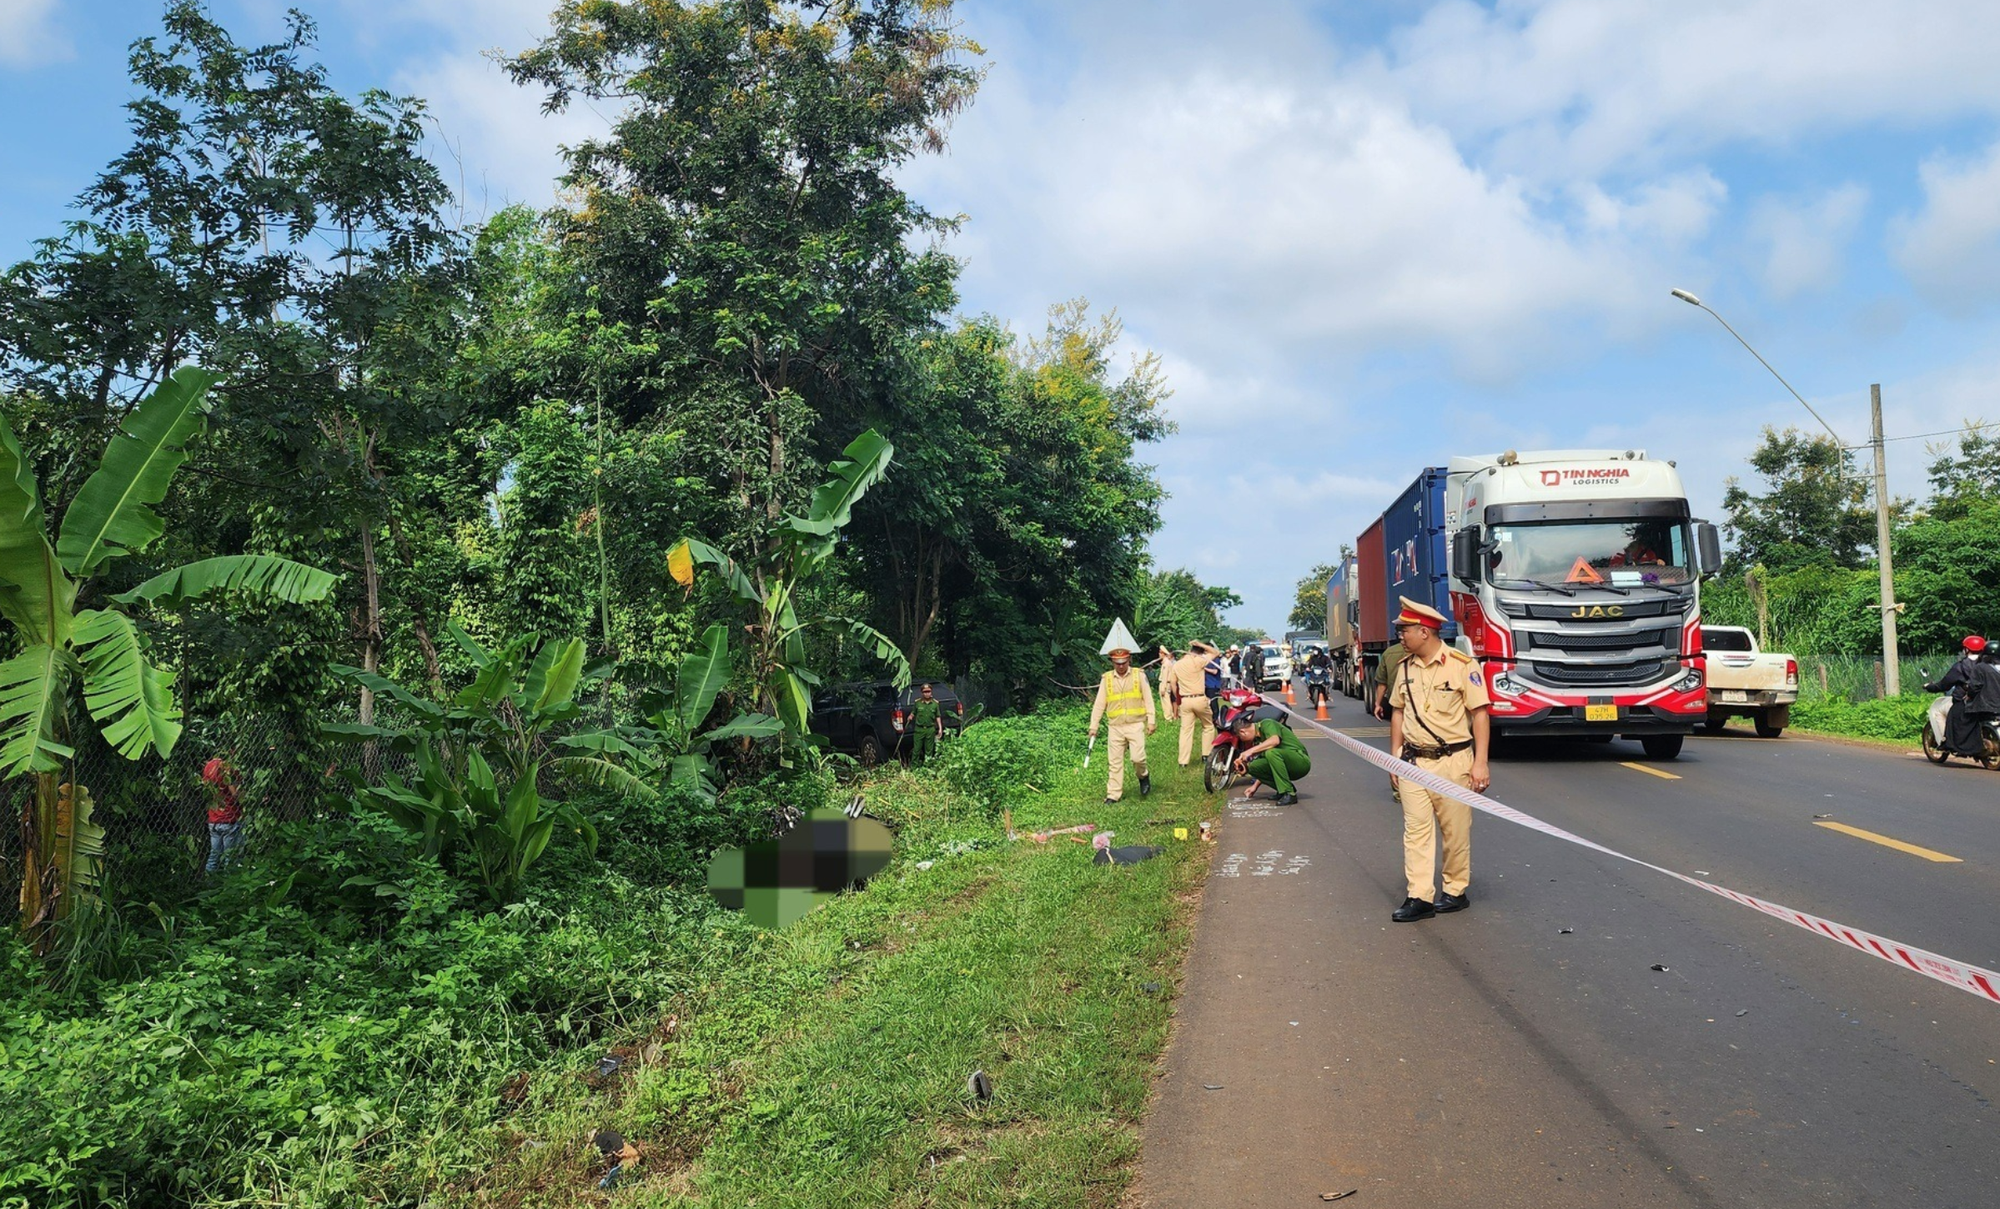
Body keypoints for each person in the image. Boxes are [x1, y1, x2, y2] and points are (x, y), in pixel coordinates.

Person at [1386, 597, 1491, 923]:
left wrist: (1481, 763)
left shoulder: (1462, 666)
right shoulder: (1404, 668)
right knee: (1415, 831)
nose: (1401, 636)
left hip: (1454, 762)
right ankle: (1419, 896)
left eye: (1405, 630)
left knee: (1455, 831)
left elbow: (1480, 714)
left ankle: (1455, 890)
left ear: (1425, 631)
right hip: (1414, 762)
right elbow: (1398, 711)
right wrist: (1394, 756)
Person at [1088, 621, 1157, 803]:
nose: (1120, 666)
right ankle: (1113, 794)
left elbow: (1148, 698)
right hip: (1115, 726)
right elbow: (1099, 704)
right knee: (1115, 762)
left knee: (1138, 758)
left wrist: (1151, 720)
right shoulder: (1107, 679)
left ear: (1129, 660)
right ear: (1112, 661)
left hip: (1135, 724)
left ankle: (1143, 776)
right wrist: (1093, 726)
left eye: (1123, 662)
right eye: (1117, 663)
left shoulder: (1138, 675)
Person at [1923, 635, 2000, 756]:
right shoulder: (1992, 666)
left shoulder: (1962, 666)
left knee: (1943, 711)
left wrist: (1929, 687)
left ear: (1966, 650)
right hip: (1993, 702)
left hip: (1975, 702)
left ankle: (1949, 743)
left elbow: (1944, 685)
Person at [1230, 712, 1311, 805]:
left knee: (1271, 752)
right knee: (1252, 766)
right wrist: (1254, 787)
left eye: (1240, 738)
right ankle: (1283, 790)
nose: (1243, 741)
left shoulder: (1267, 724)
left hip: (1301, 762)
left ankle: (1289, 793)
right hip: (1284, 763)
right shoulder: (1258, 740)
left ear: (1242, 732)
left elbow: (1275, 741)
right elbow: (1269, 764)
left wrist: (1250, 751)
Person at [1167, 640, 1222, 769]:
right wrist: (1201, 644)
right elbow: (1216, 652)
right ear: (1200, 652)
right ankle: (1206, 754)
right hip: (1199, 698)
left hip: (1185, 700)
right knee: (1208, 726)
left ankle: (1183, 762)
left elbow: (1173, 683)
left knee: (1185, 731)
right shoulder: (1198, 661)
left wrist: (1178, 697)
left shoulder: (1177, 664)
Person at [202, 751, 244, 874]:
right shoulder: (227, 767)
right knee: (230, 858)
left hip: (214, 819)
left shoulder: (209, 766)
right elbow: (235, 794)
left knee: (214, 856)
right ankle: (229, 886)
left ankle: (208, 883)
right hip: (229, 818)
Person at [909, 683, 944, 764]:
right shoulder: (917, 703)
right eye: (925, 692)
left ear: (931, 692)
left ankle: (927, 766)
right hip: (919, 729)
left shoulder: (935, 704)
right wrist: (910, 716)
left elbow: (938, 716)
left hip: (930, 729)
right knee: (916, 749)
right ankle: (914, 766)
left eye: (928, 691)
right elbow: (913, 712)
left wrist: (940, 728)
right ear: (922, 692)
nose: (927, 693)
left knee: (929, 750)